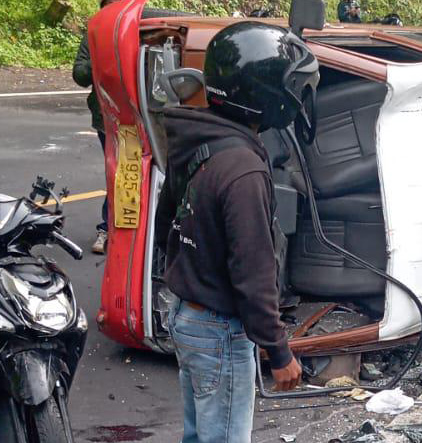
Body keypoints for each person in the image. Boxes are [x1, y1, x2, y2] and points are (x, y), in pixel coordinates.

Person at [155, 22, 319, 443]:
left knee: (201, 434)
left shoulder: (197, 137)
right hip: (217, 326)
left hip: (188, 314)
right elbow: (253, 270)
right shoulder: (243, 169)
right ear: (262, 93)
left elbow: (166, 219)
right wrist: (279, 351)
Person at [73, 0, 115, 255]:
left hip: (139, 118)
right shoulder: (94, 34)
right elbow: (79, 74)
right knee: (116, 174)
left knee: (138, 175)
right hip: (105, 117)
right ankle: (106, 228)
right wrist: (98, 61)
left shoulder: (139, 30)